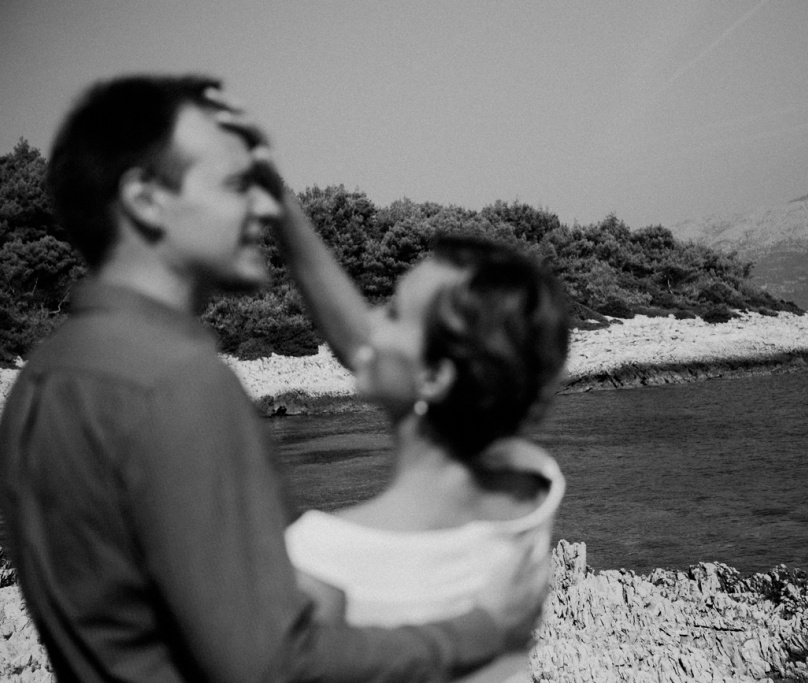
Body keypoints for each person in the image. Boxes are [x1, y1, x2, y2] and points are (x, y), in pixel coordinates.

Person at [0, 74, 547, 683]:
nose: (262, 207)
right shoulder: (179, 385)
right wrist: (480, 631)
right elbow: (271, 666)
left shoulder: (40, 382)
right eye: (239, 186)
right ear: (146, 200)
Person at [279, 229, 571, 681]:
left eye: (392, 312)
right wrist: (284, 215)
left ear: (435, 377)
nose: (369, 321)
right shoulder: (534, 490)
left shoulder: (321, 555)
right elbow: (377, 351)